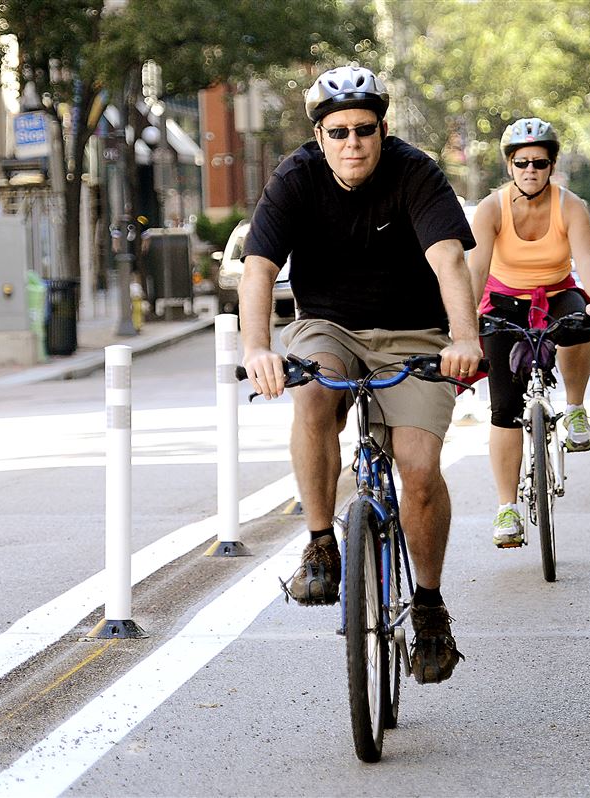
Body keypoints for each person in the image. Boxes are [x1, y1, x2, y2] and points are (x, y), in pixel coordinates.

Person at [237, 65, 482, 684]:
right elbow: (258, 268)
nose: (353, 143)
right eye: (339, 131)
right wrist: (258, 348)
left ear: (382, 130)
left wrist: (464, 339)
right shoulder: (295, 178)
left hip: (416, 335)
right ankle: (321, 543)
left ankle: (429, 607)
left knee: (419, 471)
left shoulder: (415, 172)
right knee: (315, 394)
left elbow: (449, 261)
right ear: (319, 135)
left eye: (365, 130)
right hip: (330, 327)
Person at [467, 117, 590, 548]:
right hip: (503, 301)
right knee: (504, 408)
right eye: (522, 163)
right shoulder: (491, 209)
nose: (530, 170)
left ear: (552, 166)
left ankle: (575, 408)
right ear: (509, 166)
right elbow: (476, 271)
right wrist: (465, 322)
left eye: (539, 162)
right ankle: (507, 508)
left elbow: (587, 261)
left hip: (555, 293)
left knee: (581, 322)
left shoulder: (570, 206)